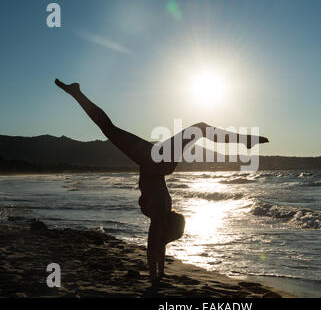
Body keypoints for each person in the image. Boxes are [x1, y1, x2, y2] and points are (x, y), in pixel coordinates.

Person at [55, 79, 268, 285]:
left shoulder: (165, 209)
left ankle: (76, 93)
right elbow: (152, 246)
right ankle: (245, 141)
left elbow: (158, 243)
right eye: (165, 235)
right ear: (166, 227)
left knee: (113, 128)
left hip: (156, 163)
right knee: (196, 128)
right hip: (153, 161)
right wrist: (154, 276)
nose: (160, 236)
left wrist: (161, 272)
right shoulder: (159, 211)